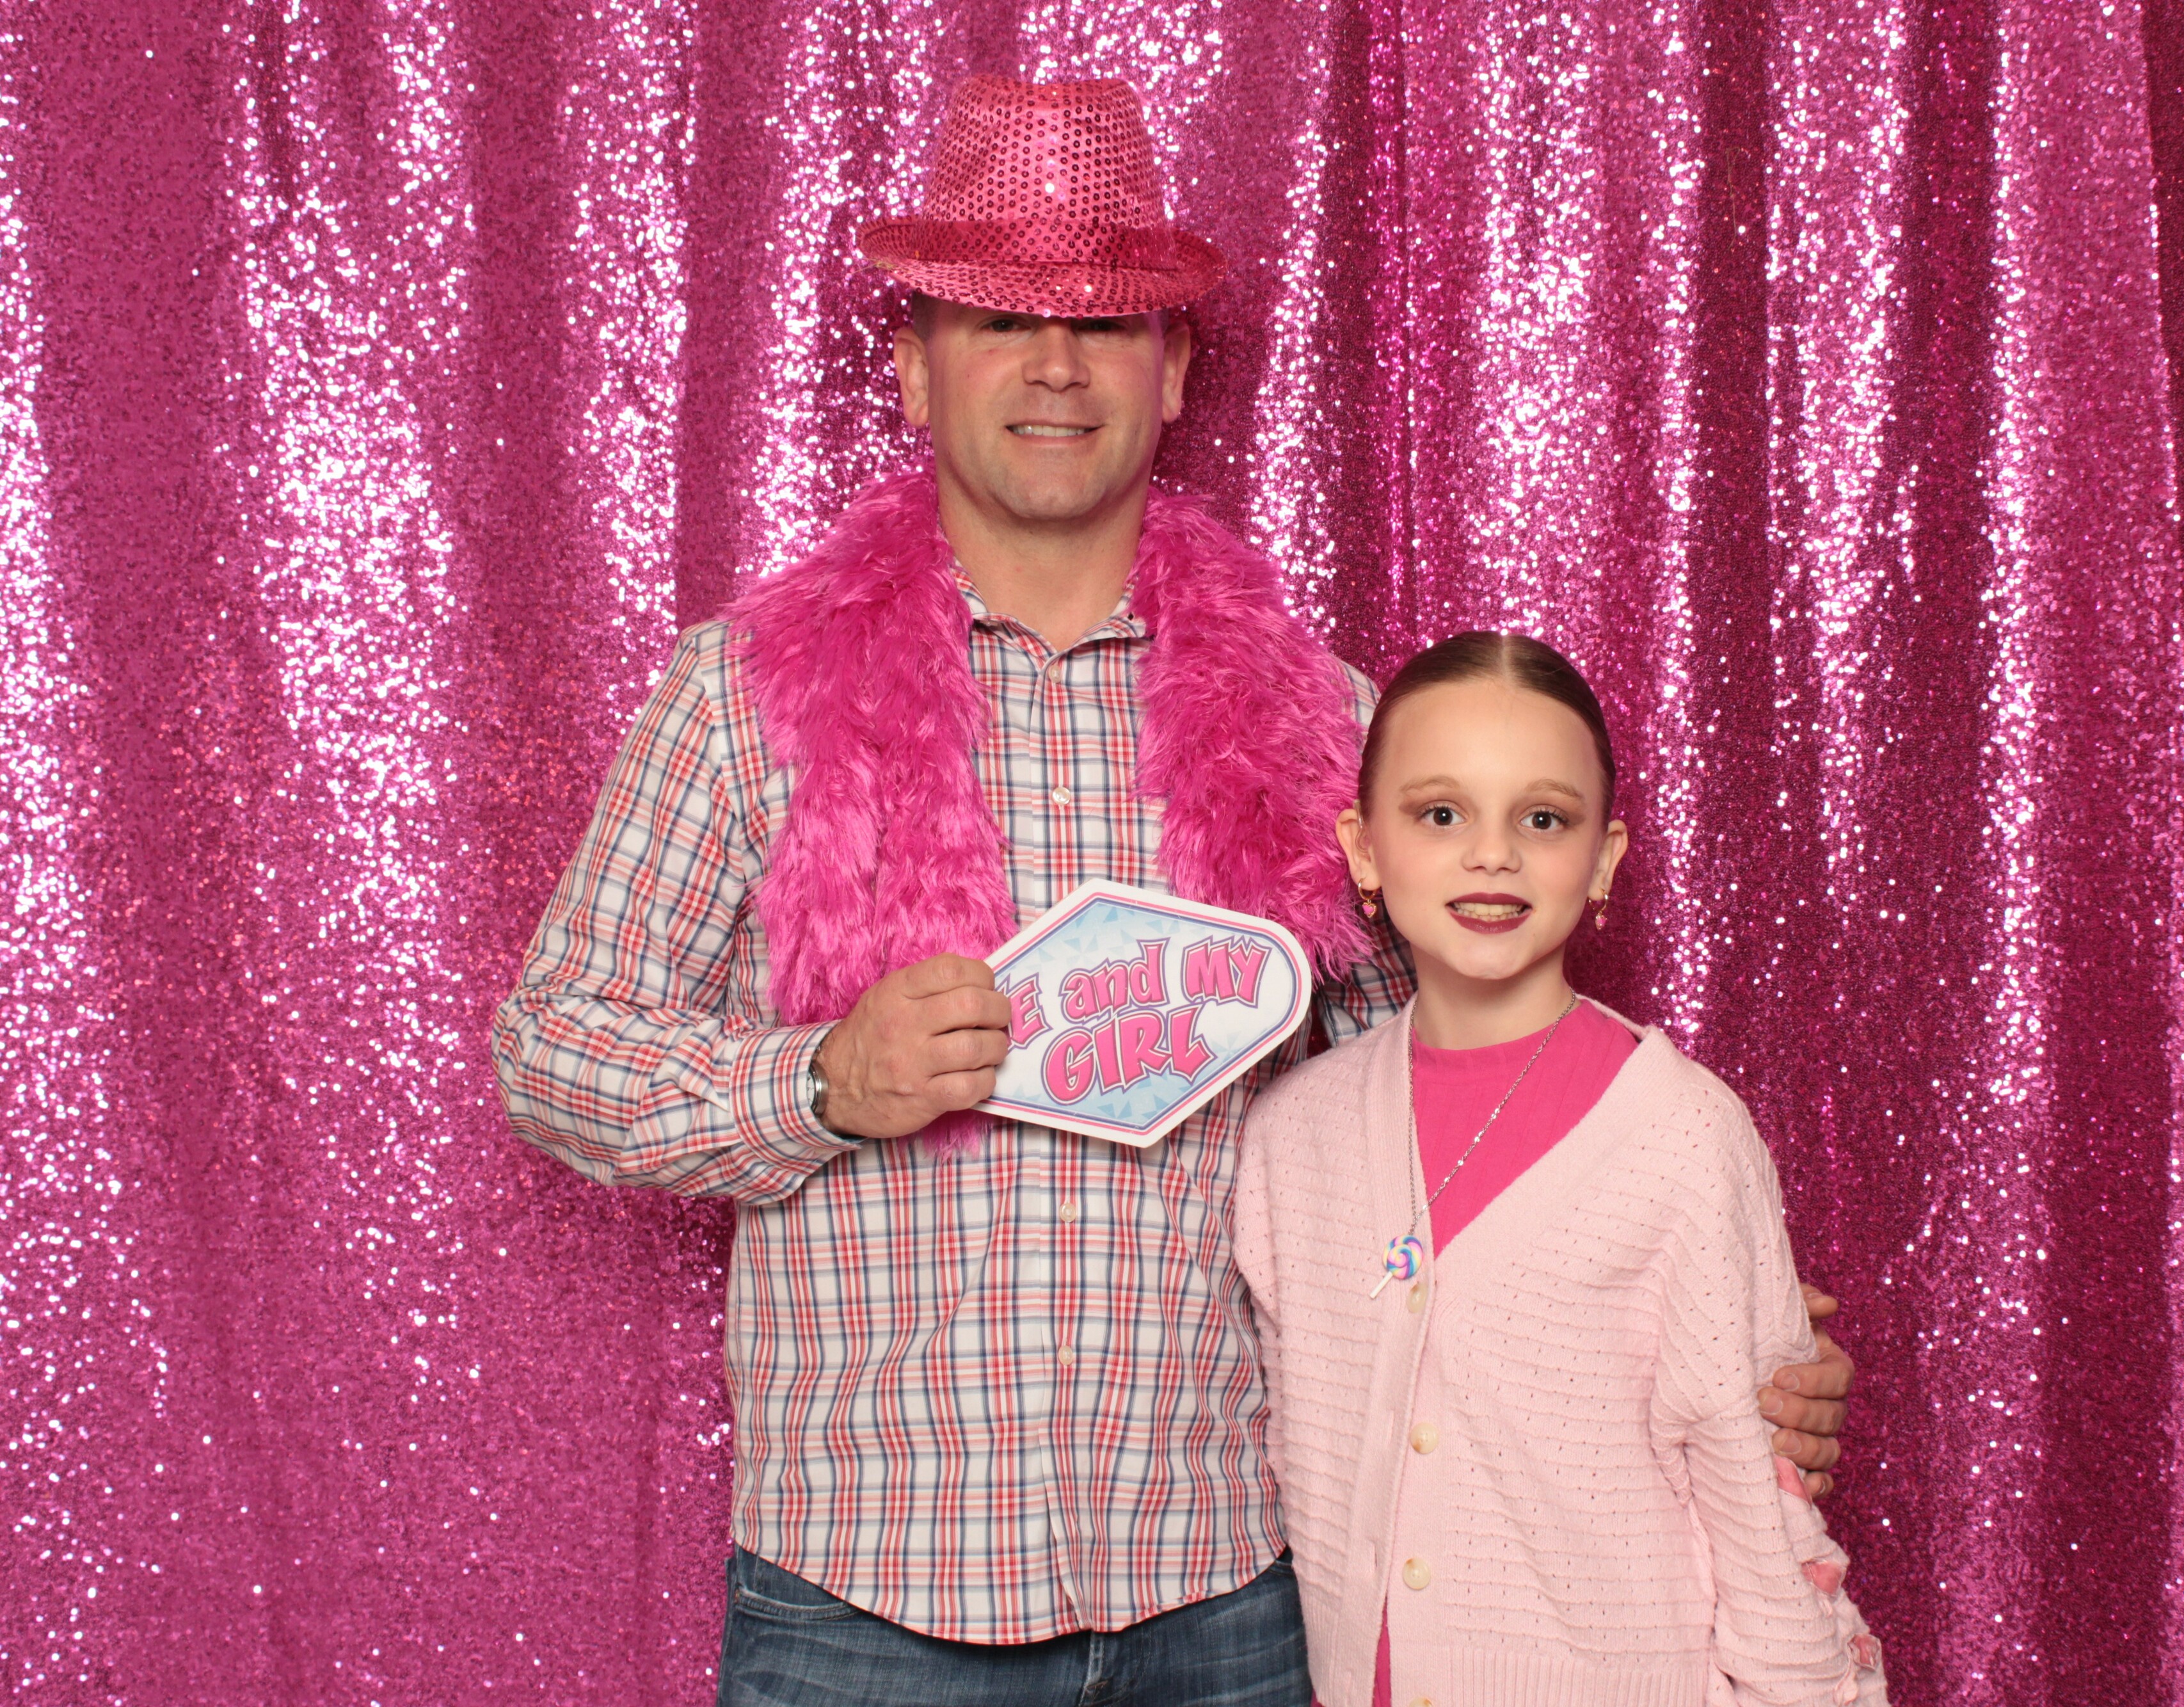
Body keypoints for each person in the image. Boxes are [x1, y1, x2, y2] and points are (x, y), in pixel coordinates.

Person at [490, 76, 1853, 1706]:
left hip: (1226, 1597)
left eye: (1102, 322)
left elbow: (1448, 1090)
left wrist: (1710, 1326)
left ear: (1175, 366)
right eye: (1000, 319)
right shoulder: (745, 695)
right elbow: (553, 1045)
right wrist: (819, 1082)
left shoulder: (1324, 721)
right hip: (863, 1591)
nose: (1055, 366)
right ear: (915, 365)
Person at [1234, 632, 1886, 1707]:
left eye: (1542, 819)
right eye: (1440, 815)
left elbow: (1757, 1499)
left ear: (1605, 858)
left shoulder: (1685, 1134)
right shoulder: (1291, 1138)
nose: (1492, 854)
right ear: (1363, 847)